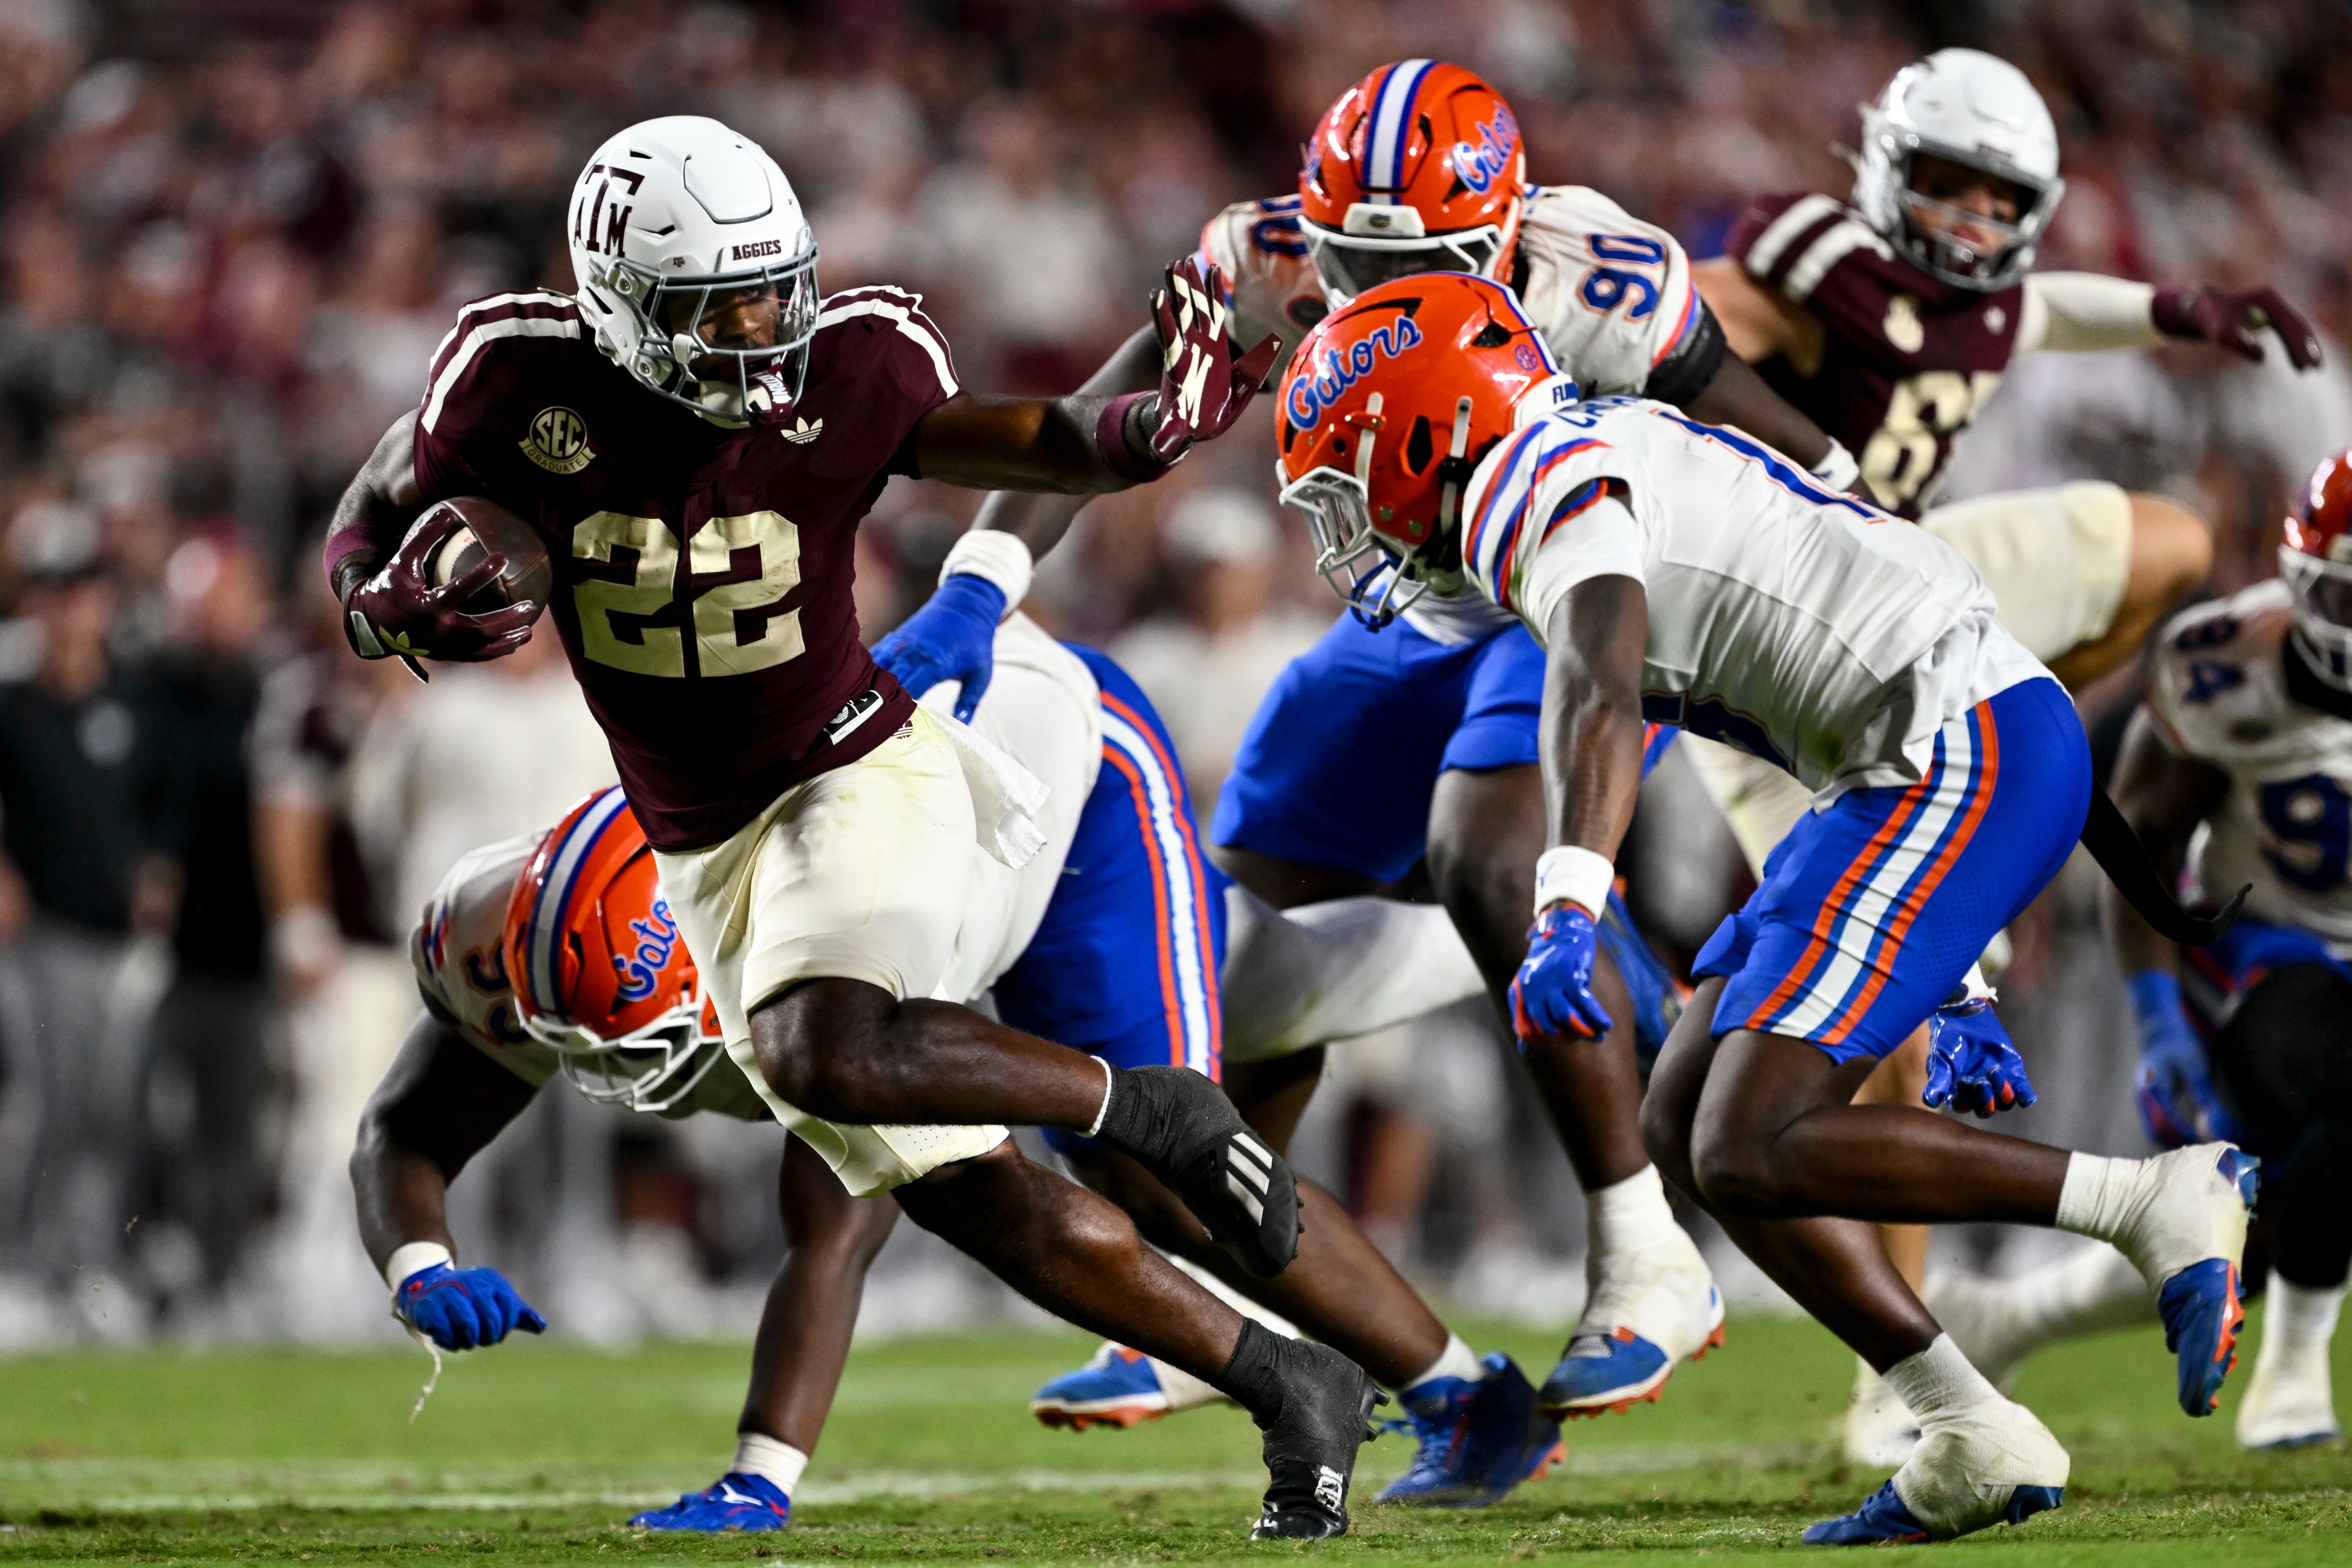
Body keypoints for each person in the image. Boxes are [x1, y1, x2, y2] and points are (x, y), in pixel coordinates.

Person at [325, 115, 1372, 1540]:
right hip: (700, 843)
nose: (765, 329)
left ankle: (1154, 1110)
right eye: (722, 306)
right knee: (964, 1194)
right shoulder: (516, 379)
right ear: (617, 306)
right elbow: (383, 496)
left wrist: (1176, 404)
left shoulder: (853, 362)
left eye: (776, 287)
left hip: (855, 772)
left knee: (812, 1042)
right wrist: (368, 595)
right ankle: (1292, 1382)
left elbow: (1057, 440)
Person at [1269, 271, 2260, 1544]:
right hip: (1905, 763)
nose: (1340, 518)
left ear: (1424, 433)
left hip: (1961, 751)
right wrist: (1958, 978)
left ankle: (2151, 1201)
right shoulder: (1558, 459)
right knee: (1688, 1120)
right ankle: (1970, 1427)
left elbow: (1600, 683)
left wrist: (1566, 898)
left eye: (1343, 473)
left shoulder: (1543, 481)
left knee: (1751, 1133)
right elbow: (1824, 650)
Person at [878, 59, 1750, 1428]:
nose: (1376, 285)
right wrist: (975, 590)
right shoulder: (1265, 255)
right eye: (1355, 254)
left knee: (1481, 855)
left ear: (1507, 234)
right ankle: (1199, 1276)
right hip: (1403, 601)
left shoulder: (1599, 279)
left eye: (1425, 260)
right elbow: (1092, 430)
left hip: (1563, 585)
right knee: (1246, 940)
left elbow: (1785, 447)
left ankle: (1639, 1250)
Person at [351, 615, 1543, 1534]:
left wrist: (764, 1473)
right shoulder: (519, 939)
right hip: (938, 884)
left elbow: (854, 1219)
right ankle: (1304, 1366)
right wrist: (419, 1264)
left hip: (1068, 790)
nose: (626, 1073)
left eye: (655, 1035)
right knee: (1121, 1141)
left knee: (1182, 1176)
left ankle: (1467, 1392)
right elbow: (406, 1127)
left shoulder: (814, 913)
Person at [1686, 46, 2325, 1454]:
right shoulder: (1812, 270)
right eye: (1945, 189)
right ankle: (1893, 1381)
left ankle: (1994, 743)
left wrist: (2182, 306)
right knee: (1870, 1030)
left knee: (2161, 541)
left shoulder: (1965, 299)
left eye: (1996, 198)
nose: (1970, 222)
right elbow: (1711, 298)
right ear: (1882, 174)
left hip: (1905, 592)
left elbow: (2046, 309)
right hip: (1773, 657)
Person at [1899, 449, 2352, 1455]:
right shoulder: (2230, 662)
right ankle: (2289, 1372)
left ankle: (2012, 1319)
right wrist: (2156, 1021)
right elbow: (2141, 844)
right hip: (2273, 957)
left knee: (2279, 1203)